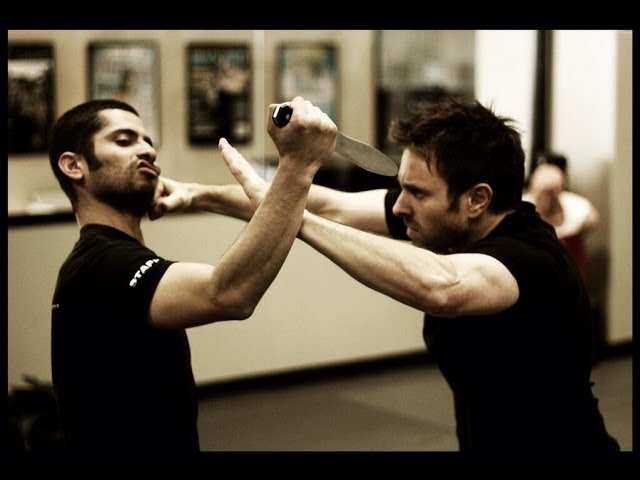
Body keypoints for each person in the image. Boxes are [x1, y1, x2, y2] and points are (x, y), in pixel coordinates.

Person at [194, 97, 619, 455]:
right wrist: (192, 195)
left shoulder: (532, 259)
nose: (399, 206)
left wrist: (289, 215)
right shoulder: (447, 218)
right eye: (402, 187)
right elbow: (332, 206)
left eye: (416, 193)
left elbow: (442, 285)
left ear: (476, 199)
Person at [48, 97, 336, 454]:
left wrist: (197, 194)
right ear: (73, 165)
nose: (147, 150)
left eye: (147, 141)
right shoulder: (99, 264)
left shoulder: (106, 259)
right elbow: (228, 293)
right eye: (124, 141)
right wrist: (297, 166)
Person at [523, 153, 600, 279]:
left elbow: (592, 220)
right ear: (533, 191)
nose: (548, 200)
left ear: (560, 191)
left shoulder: (576, 207)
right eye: (543, 193)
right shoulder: (522, 209)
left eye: (552, 193)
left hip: (569, 273)